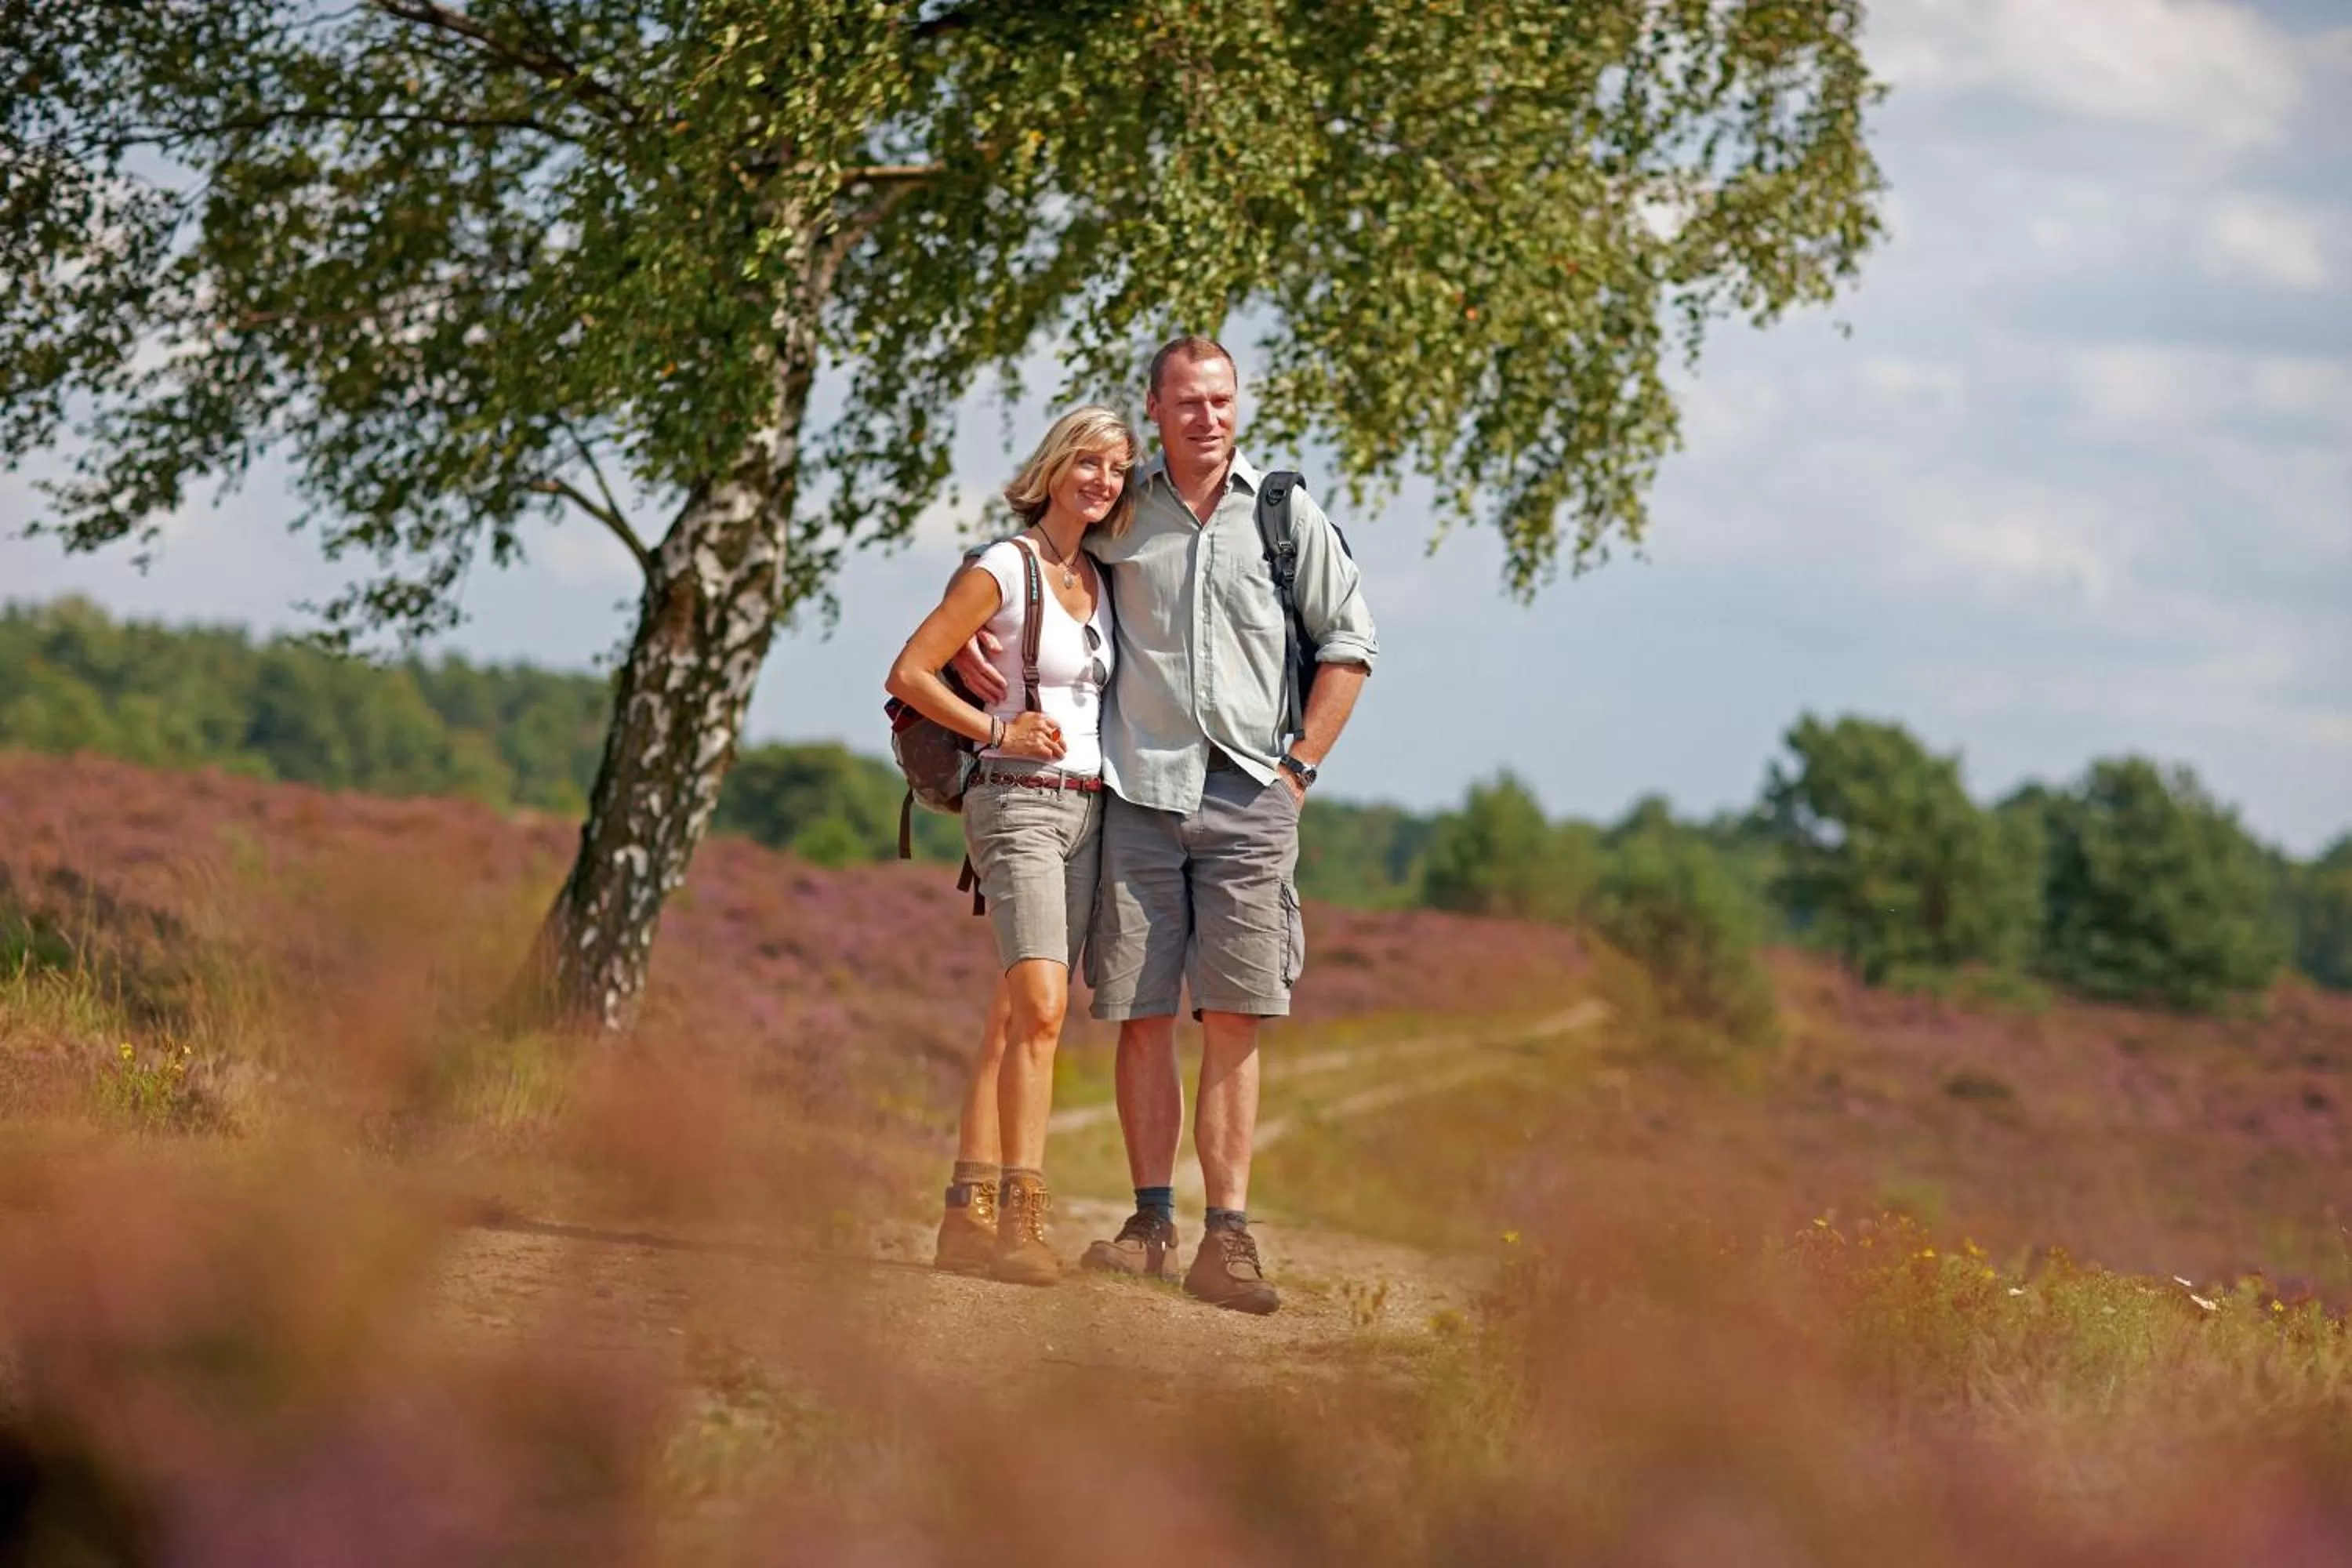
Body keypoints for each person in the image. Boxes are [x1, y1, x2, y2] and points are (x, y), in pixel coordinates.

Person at [957, 337, 1377, 1314]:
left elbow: (1351, 642)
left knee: (1236, 1014)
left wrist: (1298, 770)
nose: (1208, 417)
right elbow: (1028, 558)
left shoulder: (1283, 514)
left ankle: (1225, 1238)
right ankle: (1150, 1224)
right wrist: (981, 640)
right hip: (1137, 796)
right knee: (1138, 1015)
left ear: (1239, 404)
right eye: (1187, 401)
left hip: (1251, 796)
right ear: (1154, 407)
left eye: (1222, 399)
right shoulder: (1121, 505)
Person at [886, 405, 1138, 1286]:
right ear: (1056, 464)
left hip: (1090, 809)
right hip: (1018, 804)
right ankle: (1023, 1222)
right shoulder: (1006, 564)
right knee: (1040, 1009)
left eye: (1117, 468)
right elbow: (910, 670)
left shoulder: (1100, 578)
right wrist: (997, 725)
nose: (1102, 480)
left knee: (1012, 1013)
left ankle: (967, 1212)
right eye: (1089, 463)